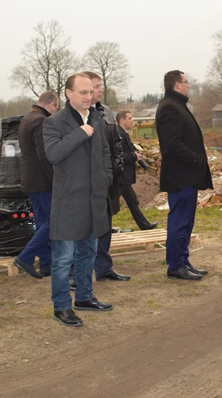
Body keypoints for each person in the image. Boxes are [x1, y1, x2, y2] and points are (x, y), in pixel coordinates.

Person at [43, 73, 113, 327]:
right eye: (83, 92)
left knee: (88, 253)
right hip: (69, 202)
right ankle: (62, 307)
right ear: (68, 93)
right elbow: (53, 154)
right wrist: (80, 133)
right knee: (63, 259)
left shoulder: (96, 118)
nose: (88, 96)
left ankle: (84, 297)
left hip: (94, 200)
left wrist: (106, 177)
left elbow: (104, 151)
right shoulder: (53, 122)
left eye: (90, 92)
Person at [155, 70, 213, 280]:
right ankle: (176, 265)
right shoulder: (169, 107)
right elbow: (172, 145)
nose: (188, 85)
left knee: (186, 222)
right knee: (179, 222)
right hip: (180, 177)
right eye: (186, 82)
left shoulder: (177, 105)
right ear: (176, 84)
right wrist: (196, 159)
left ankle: (183, 261)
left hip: (187, 177)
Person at [81, 71, 129, 282]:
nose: (100, 90)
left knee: (105, 226)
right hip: (88, 183)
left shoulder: (106, 112)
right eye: (96, 86)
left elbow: (117, 142)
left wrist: (117, 170)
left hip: (108, 181)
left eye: (100, 86)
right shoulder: (78, 114)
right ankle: (77, 273)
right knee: (84, 229)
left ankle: (104, 268)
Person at [14, 91, 60, 279]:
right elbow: (45, 155)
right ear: (51, 104)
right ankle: (25, 257)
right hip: (42, 181)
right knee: (54, 221)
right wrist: (56, 180)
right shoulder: (41, 121)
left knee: (42, 222)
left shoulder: (27, 118)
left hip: (30, 180)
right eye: (56, 108)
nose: (55, 111)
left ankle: (46, 264)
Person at [116, 110, 158, 230]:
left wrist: (135, 155)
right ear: (122, 120)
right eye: (129, 118)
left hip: (123, 178)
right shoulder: (118, 135)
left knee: (132, 201)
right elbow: (117, 156)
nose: (132, 121)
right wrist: (134, 156)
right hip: (120, 176)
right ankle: (104, 228)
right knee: (111, 204)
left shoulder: (124, 134)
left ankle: (145, 226)